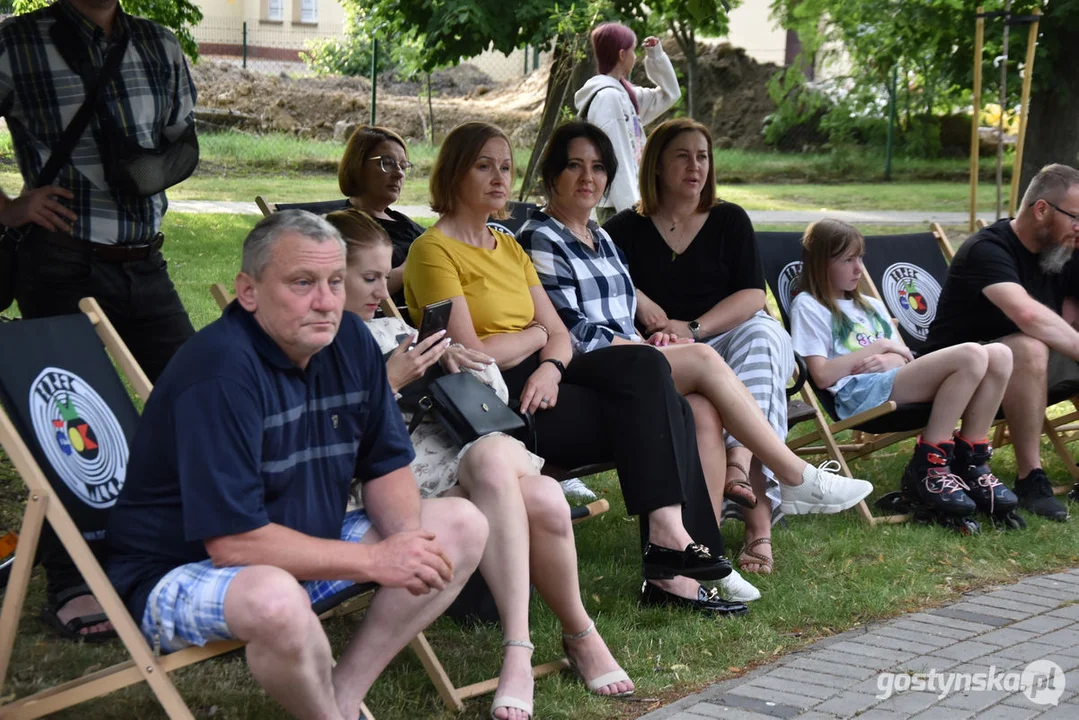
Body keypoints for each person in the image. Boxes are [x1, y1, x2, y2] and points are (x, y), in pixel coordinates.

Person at [104, 211, 488, 720]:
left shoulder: (350, 342)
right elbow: (234, 544)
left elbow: (387, 464)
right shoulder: (219, 374)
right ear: (249, 291)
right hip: (180, 571)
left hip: (302, 547)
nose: (325, 302)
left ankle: (344, 698)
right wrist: (377, 562)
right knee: (276, 599)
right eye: (302, 283)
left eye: (334, 281)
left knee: (460, 524)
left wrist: (405, 543)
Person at [518, 121, 875, 584]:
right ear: (552, 175)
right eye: (575, 166)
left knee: (704, 408)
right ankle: (794, 474)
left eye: (599, 167)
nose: (589, 177)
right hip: (588, 371)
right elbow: (572, 327)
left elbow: (627, 311)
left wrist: (660, 333)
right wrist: (646, 345)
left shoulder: (600, 236)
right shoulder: (542, 235)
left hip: (628, 360)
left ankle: (703, 555)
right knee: (704, 360)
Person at [326, 208, 633, 719]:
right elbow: (335, 443)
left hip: (452, 456)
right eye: (370, 278)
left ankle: (539, 642)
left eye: (386, 276)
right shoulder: (326, 341)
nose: (385, 292)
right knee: (537, 493)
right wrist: (393, 382)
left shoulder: (385, 326)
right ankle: (558, 639)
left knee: (532, 487)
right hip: (396, 484)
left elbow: (488, 398)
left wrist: (450, 362)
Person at [0, 0, 198, 641]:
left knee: (195, 404)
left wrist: (141, 169)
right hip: (60, 263)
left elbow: (178, 144)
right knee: (64, 425)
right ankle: (73, 583)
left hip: (147, 263)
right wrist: (9, 208)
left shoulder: (160, 44)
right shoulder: (16, 42)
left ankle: (182, 556)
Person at [603, 118, 798, 575]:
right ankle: (756, 512)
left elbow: (753, 297)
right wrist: (643, 302)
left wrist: (694, 326)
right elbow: (605, 280)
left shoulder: (729, 219)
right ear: (656, 165)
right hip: (667, 351)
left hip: (728, 335)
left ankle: (747, 491)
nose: (696, 166)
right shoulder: (624, 229)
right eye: (683, 156)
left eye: (703, 156)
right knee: (739, 368)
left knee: (765, 336)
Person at [791, 219, 1017, 524]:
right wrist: (879, 347)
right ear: (820, 264)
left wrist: (892, 359)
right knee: (972, 354)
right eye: (848, 260)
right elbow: (820, 375)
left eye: (860, 257)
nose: (859, 268)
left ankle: (972, 462)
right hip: (857, 394)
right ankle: (930, 467)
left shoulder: (870, 304)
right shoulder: (809, 305)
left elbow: (904, 358)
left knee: (1001, 354)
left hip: (892, 380)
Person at [924, 164, 1079, 522]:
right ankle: (1030, 477)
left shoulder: (1062, 249)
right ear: (1041, 209)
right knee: (1028, 346)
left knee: (1035, 348)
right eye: (1075, 217)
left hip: (1024, 372)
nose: (1078, 227)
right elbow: (1028, 316)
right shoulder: (988, 249)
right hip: (960, 373)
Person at [575, 21, 680, 221]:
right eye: (633, 51)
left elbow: (670, 94)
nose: (635, 56)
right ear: (622, 55)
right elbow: (617, 156)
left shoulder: (625, 95)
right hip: (617, 207)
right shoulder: (608, 99)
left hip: (628, 203)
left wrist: (656, 56)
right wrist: (632, 213)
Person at [338, 125, 425, 305]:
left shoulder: (403, 222)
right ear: (358, 165)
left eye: (403, 165)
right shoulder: (345, 228)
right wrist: (408, 269)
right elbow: (348, 292)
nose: (399, 174)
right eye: (387, 163)